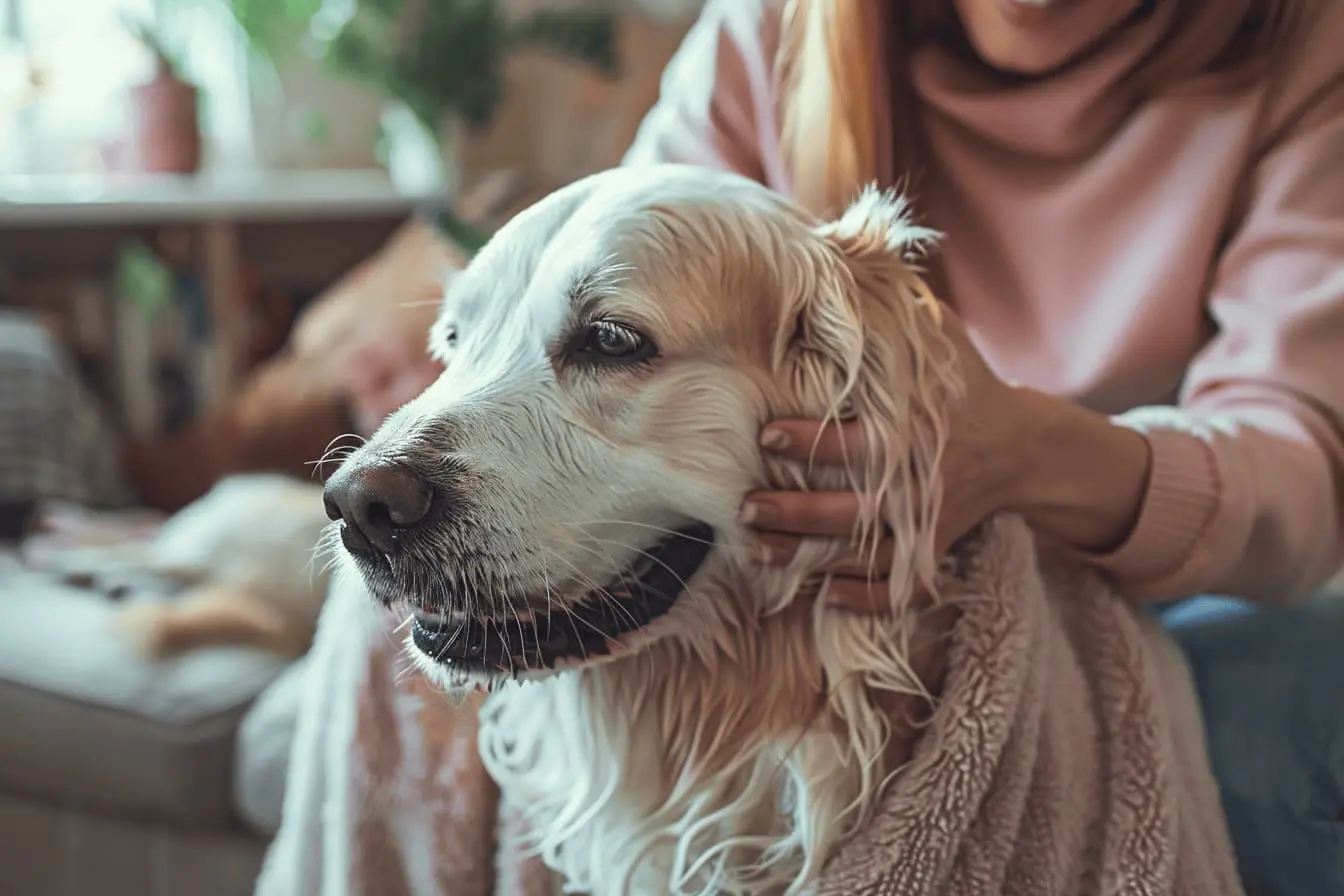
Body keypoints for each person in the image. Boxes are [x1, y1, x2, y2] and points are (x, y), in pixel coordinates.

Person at [346, 0, 1343, 892]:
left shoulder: (1309, 41)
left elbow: (1302, 467)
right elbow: (621, 238)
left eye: (611, 340)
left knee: (1277, 721)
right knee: (365, 641)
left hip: (1180, 562)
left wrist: (1020, 452)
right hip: (787, 551)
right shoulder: (775, 29)